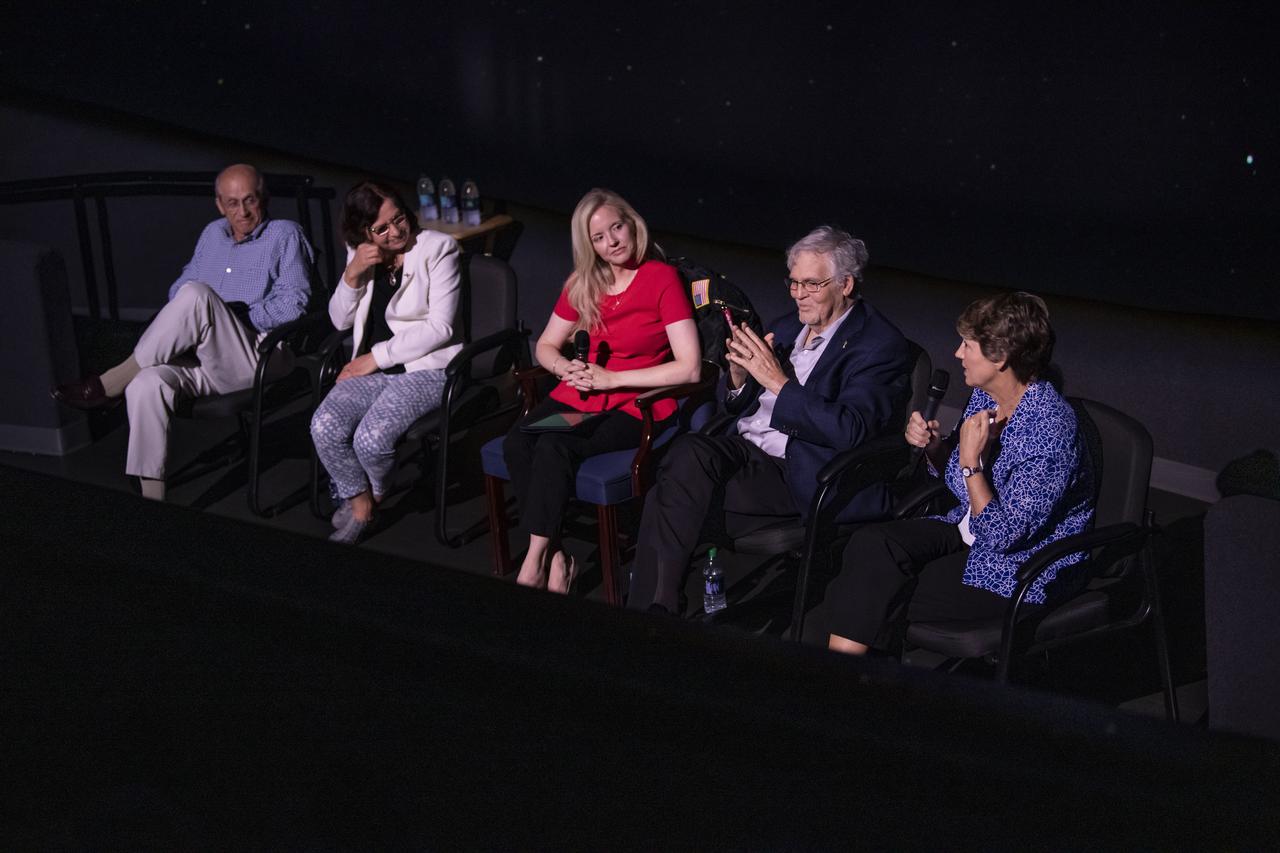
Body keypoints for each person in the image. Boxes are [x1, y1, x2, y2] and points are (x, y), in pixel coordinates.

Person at [626, 225, 912, 614]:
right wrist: (740, 381)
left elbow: (851, 429)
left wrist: (777, 381)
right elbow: (740, 407)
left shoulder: (878, 345)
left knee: (673, 481)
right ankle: (659, 609)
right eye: (793, 282)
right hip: (745, 453)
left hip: (798, 471)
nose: (797, 295)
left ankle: (654, 610)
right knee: (686, 462)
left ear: (845, 284)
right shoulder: (790, 325)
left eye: (811, 284)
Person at [825, 291, 1095, 656]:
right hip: (966, 530)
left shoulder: (1051, 430)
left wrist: (971, 464)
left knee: (878, 591)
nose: (957, 354)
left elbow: (1004, 536)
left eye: (968, 345)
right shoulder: (986, 397)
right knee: (870, 547)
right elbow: (956, 482)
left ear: (1001, 357)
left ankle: (841, 688)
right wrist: (937, 448)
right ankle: (843, 683)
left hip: (1019, 570)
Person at [51, 163, 314, 501]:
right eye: (232, 203)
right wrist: (199, 319)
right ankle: (153, 499)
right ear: (219, 204)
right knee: (147, 383)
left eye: (250, 200)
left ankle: (109, 383)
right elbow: (179, 288)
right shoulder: (211, 235)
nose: (243, 212)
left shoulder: (284, 234)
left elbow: (295, 304)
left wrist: (233, 315)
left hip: (259, 354)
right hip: (205, 356)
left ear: (264, 198)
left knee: (198, 295)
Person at [503, 188, 701, 593]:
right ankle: (557, 555)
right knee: (518, 443)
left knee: (554, 445)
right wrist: (562, 367)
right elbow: (545, 345)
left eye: (617, 228)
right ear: (587, 245)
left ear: (633, 225)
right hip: (582, 399)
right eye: (599, 237)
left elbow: (690, 367)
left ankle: (532, 564)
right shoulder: (583, 282)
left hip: (631, 406)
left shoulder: (661, 279)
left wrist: (613, 379)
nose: (611, 241)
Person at [310, 181, 463, 544]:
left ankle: (375, 495)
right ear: (364, 232)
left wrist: (376, 357)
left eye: (398, 219)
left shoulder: (439, 248)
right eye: (381, 228)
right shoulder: (361, 251)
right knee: (324, 426)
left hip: (427, 368)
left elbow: (441, 327)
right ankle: (361, 503)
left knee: (372, 440)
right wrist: (352, 275)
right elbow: (339, 321)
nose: (395, 232)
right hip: (376, 369)